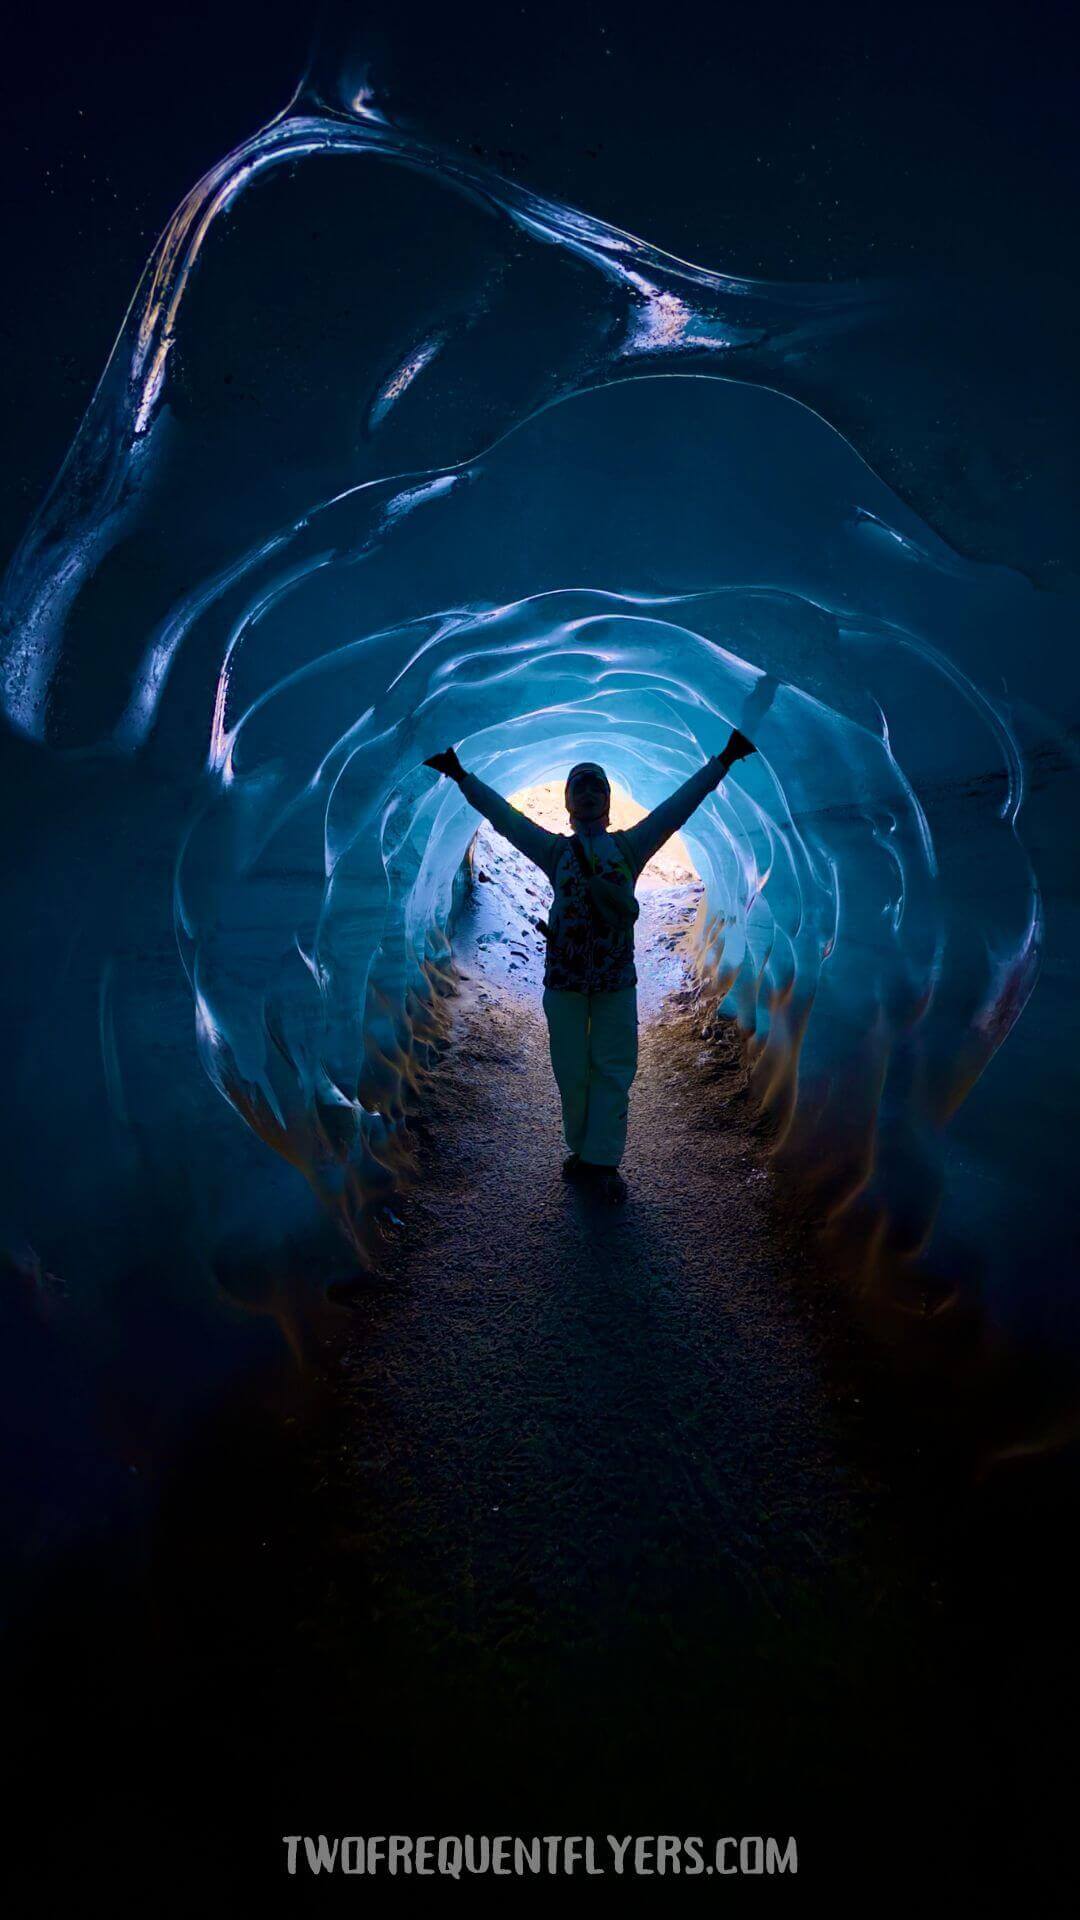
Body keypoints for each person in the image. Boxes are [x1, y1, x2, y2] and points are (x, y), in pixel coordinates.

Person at [424, 730, 755, 1204]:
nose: (587, 790)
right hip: (564, 981)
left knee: (614, 1067)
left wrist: (722, 760)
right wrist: (461, 776)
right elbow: (503, 818)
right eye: (578, 785)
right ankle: (582, 1151)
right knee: (571, 1070)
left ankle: (602, 1162)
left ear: (607, 799)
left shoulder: (630, 847)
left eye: (594, 784)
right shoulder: (555, 851)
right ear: (568, 803)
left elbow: (678, 807)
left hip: (616, 981)